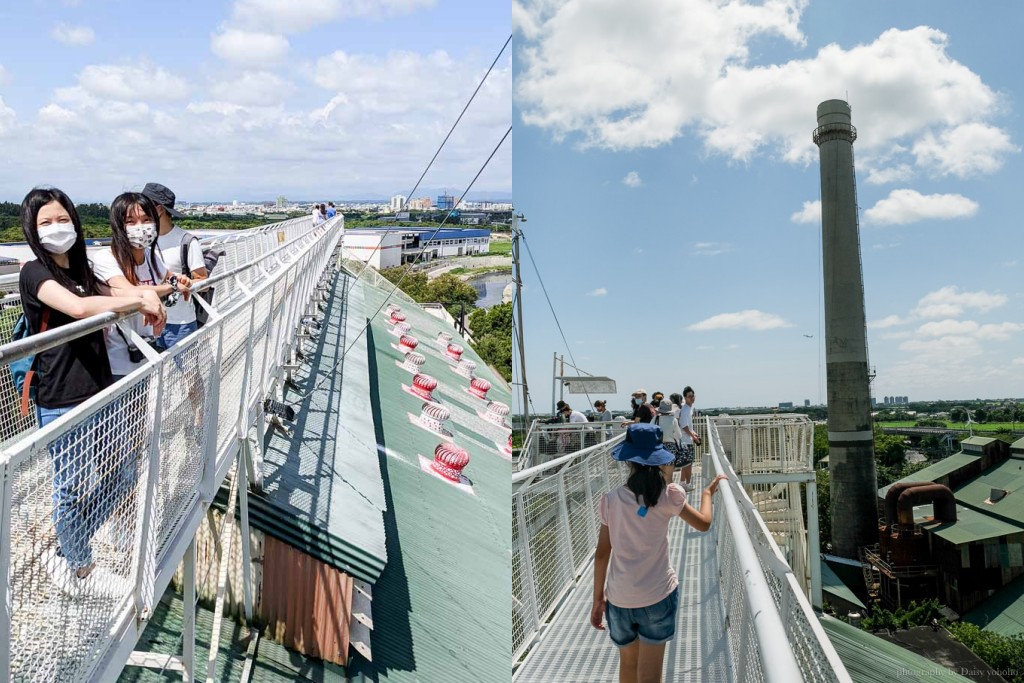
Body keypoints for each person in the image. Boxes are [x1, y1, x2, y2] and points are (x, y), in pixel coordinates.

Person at [18, 187, 165, 587]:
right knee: (70, 487)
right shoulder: (33, 271)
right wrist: (138, 301)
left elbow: (110, 294)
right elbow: (80, 308)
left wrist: (148, 295)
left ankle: (71, 542)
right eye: (45, 222)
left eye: (62, 219)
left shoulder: (81, 269)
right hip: (60, 395)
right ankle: (79, 565)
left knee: (123, 474)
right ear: (32, 229)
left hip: (99, 389)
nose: (56, 228)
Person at [591, 423, 727, 683]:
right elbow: (703, 523)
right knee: (650, 676)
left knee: (628, 667)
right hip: (657, 595)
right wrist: (707, 493)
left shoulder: (611, 500)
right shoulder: (668, 495)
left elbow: (601, 555)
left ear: (628, 460)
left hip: (619, 599)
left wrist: (598, 600)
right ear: (658, 459)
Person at [90, 192, 192, 380]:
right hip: (116, 361)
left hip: (145, 353)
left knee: (141, 408)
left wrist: (179, 280)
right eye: (131, 222)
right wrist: (173, 287)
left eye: (146, 220)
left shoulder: (151, 256)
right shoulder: (106, 258)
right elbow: (129, 292)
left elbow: (169, 277)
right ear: (118, 226)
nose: (141, 227)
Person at [148, 182, 207, 349]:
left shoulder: (186, 241)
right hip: (147, 322)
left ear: (159, 209)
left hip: (179, 323)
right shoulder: (143, 242)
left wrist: (177, 286)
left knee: (186, 375)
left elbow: (203, 281)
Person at [675, 386, 701, 491]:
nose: (692, 398)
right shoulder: (686, 409)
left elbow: (688, 426)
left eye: (693, 396)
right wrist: (692, 435)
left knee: (685, 463)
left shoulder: (688, 409)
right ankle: (688, 484)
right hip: (686, 440)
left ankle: (682, 483)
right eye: (689, 396)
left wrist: (693, 433)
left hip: (686, 439)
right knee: (688, 463)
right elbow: (684, 426)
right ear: (685, 398)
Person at [653, 400, 681, 484]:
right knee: (669, 477)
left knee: (659, 476)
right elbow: (679, 436)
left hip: (658, 448)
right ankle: (668, 495)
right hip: (670, 448)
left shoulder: (655, 418)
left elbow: (650, 431)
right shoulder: (673, 419)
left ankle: (659, 495)